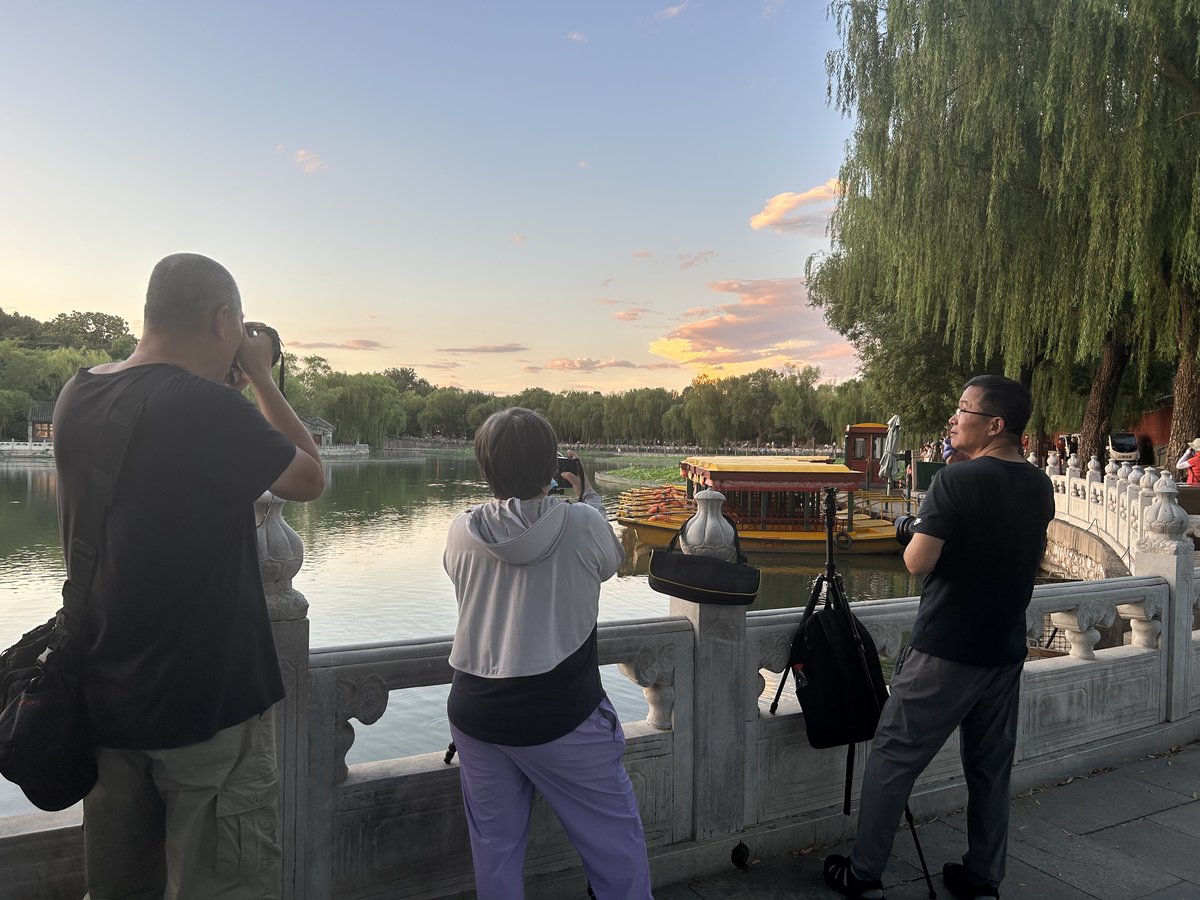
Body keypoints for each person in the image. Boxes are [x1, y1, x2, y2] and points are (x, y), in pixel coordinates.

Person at [53, 253, 325, 899]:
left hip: (106, 702)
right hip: (205, 705)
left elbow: (163, 461)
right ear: (224, 318)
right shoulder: (205, 407)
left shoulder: (78, 391)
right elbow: (310, 478)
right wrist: (259, 372)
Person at [823, 375, 1054, 900]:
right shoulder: (1038, 484)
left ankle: (864, 874)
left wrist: (918, 524)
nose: (954, 418)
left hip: (947, 646)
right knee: (990, 768)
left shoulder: (957, 482)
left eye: (964, 409)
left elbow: (917, 560)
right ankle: (982, 878)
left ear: (995, 425)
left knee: (893, 755)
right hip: (1004, 649)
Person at [443, 407, 652, 899]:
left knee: (495, 852)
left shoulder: (460, 530)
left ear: (485, 468)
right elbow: (609, 561)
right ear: (550, 466)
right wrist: (588, 494)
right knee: (615, 850)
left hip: (477, 715)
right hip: (562, 714)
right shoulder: (581, 522)